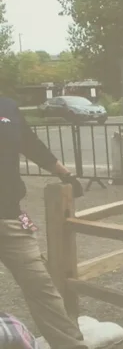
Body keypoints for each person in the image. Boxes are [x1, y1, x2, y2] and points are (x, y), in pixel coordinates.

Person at [0, 97, 86, 349]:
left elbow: (30, 143)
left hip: (9, 218)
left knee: (44, 289)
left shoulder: (7, 107)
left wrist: (64, 173)